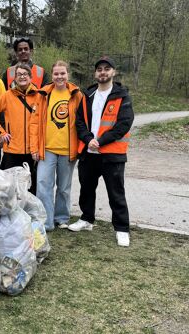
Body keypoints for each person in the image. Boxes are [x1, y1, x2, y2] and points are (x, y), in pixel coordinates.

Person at [68, 56, 134, 247]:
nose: (102, 72)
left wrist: (101, 141)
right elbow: (79, 121)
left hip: (112, 153)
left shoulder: (122, 96)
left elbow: (124, 124)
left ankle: (122, 229)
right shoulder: (87, 95)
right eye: (99, 69)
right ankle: (87, 220)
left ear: (113, 72)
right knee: (86, 189)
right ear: (95, 73)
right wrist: (89, 140)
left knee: (116, 192)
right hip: (89, 152)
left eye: (107, 69)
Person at [30, 60, 83, 231]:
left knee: (64, 187)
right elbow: (34, 123)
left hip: (68, 150)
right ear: (51, 76)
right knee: (43, 184)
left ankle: (61, 217)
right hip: (47, 149)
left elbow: (83, 123)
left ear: (68, 75)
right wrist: (34, 148)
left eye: (62, 73)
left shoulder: (77, 95)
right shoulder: (43, 94)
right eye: (56, 74)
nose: (59, 76)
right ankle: (46, 221)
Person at [0, 63, 42, 194]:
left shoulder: (39, 96)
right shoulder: (7, 95)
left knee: (31, 185)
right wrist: (1, 132)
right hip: (12, 150)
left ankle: (30, 212)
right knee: (9, 186)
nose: (22, 77)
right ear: (15, 78)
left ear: (31, 77)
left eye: (25, 74)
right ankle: (10, 212)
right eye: (19, 74)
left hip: (32, 150)